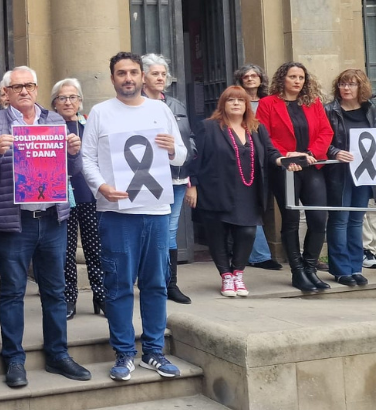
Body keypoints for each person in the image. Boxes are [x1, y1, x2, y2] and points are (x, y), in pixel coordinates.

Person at [0, 66, 91, 387]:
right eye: (17, 87)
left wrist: (74, 153)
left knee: (55, 291)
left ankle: (58, 355)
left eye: (29, 86)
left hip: (52, 218)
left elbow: (72, 170)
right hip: (15, 223)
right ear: (6, 93)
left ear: (37, 89)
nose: (24, 91)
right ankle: (14, 359)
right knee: (12, 292)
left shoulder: (55, 121)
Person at [81, 52, 186, 382]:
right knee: (118, 285)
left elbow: (182, 154)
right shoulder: (100, 113)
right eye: (121, 73)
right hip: (116, 213)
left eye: (133, 72)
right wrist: (102, 187)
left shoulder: (160, 109)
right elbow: (87, 160)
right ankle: (124, 353)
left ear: (142, 76)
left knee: (156, 284)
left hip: (155, 210)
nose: (128, 78)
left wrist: (172, 149)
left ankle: (153, 352)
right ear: (112, 78)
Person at [186, 86, 282, 297]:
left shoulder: (256, 128)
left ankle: (238, 271)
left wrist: (282, 159)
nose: (236, 103)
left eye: (240, 100)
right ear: (223, 104)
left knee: (247, 232)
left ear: (247, 104)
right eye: (231, 100)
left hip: (248, 191)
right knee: (218, 234)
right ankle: (226, 276)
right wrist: (192, 185)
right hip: (216, 189)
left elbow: (270, 151)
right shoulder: (208, 127)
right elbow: (195, 157)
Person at [255, 62, 334, 293]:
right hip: (285, 169)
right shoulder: (268, 103)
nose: (297, 81)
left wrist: (309, 153)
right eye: (292, 76)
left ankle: (310, 268)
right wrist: (287, 156)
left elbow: (326, 132)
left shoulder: (314, 102)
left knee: (319, 219)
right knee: (290, 220)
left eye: (301, 77)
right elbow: (264, 135)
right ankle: (297, 271)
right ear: (283, 79)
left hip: (311, 165)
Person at [140, 53, 192, 305]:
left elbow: (188, 140)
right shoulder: (134, 105)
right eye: (155, 74)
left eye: (163, 74)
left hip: (177, 179)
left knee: (169, 233)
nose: (161, 78)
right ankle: (151, 282)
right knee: (149, 232)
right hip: (146, 180)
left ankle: (169, 284)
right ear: (143, 77)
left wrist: (191, 180)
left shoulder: (176, 105)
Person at [50, 78, 104, 318]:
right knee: (67, 251)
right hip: (62, 198)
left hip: (89, 194)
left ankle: (100, 296)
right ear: (54, 103)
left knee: (95, 249)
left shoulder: (89, 125)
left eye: (73, 97)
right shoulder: (48, 127)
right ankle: (69, 298)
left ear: (80, 101)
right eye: (62, 98)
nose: (68, 102)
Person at [323, 69, 376, 287]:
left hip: (365, 172)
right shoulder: (329, 111)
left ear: (361, 87)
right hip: (339, 173)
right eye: (342, 84)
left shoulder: (370, 110)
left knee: (357, 221)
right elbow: (321, 140)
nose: (346, 88)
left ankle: (356, 267)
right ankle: (340, 269)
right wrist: (334, 152)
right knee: (339, 221)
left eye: (352, 84)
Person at [233, 63, 282, 271]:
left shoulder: (270, 102)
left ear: (261, 79)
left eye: (254, 75)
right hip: (244, 159)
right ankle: (260, 254)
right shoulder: (235, 102)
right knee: (250, 207)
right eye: (246, 76)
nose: (251, 79)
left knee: (266, 206)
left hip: (270, 156)